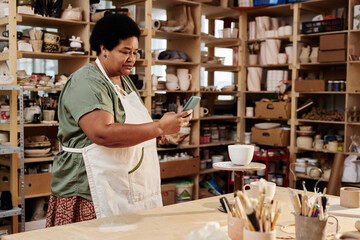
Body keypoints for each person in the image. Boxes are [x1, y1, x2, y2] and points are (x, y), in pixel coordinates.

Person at [46, 14, 192, 227]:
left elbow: (128, 122)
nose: (132, 58)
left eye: (135, 52)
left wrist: (156, 133)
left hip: (123, 185)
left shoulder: (123, 80)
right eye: (125, 52)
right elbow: (102, 133)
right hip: (88, 189)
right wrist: (159, 126)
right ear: (104, 48)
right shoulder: (86, 82)